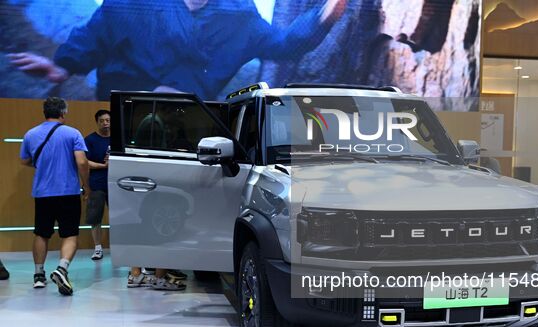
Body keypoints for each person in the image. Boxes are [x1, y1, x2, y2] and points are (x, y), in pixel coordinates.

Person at [7, 0, 347, 100]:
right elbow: (95, 34)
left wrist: (325, 14)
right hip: (126, 113)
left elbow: (283, 44)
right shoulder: (132, 4)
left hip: (184, 125)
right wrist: (62, 67)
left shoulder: (239, 15)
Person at [20, 97, 90, 296]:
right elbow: (82, 162)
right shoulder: (73, 133)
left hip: (42, 192)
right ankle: (62, 268)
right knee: (69, 234)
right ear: (63, 113)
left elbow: (24, 160)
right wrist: (86, 185)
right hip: (68, 191)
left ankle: (39, 275)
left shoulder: (31, 134)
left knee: (41, 233)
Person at [85, 110, 111, 260]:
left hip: (116, 184)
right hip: (96, 184)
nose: (105, 123)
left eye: (107, 120)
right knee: (95, 217)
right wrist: (103, 166)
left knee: (119, 216)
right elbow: (84, 162)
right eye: (102, 121)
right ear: (97, 122)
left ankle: (120, 247)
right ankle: (98, 248)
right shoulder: (89, 140)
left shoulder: (118, 140)